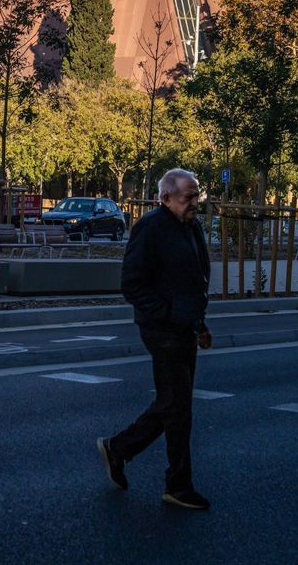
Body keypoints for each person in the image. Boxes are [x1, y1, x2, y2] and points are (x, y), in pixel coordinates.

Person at [98, 168, 212, 510]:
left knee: (176, 406)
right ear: (165, 198)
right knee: (176, 405)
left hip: (183, 327)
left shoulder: (192, 227)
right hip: (161, 329)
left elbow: (194, 279)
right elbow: (132, 283)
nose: (195, 202)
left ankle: (125, 454)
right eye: (187, 197)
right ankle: (169, 480)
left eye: (197, 195)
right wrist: (167, 313)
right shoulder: (150, 228)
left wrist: (198, 323)